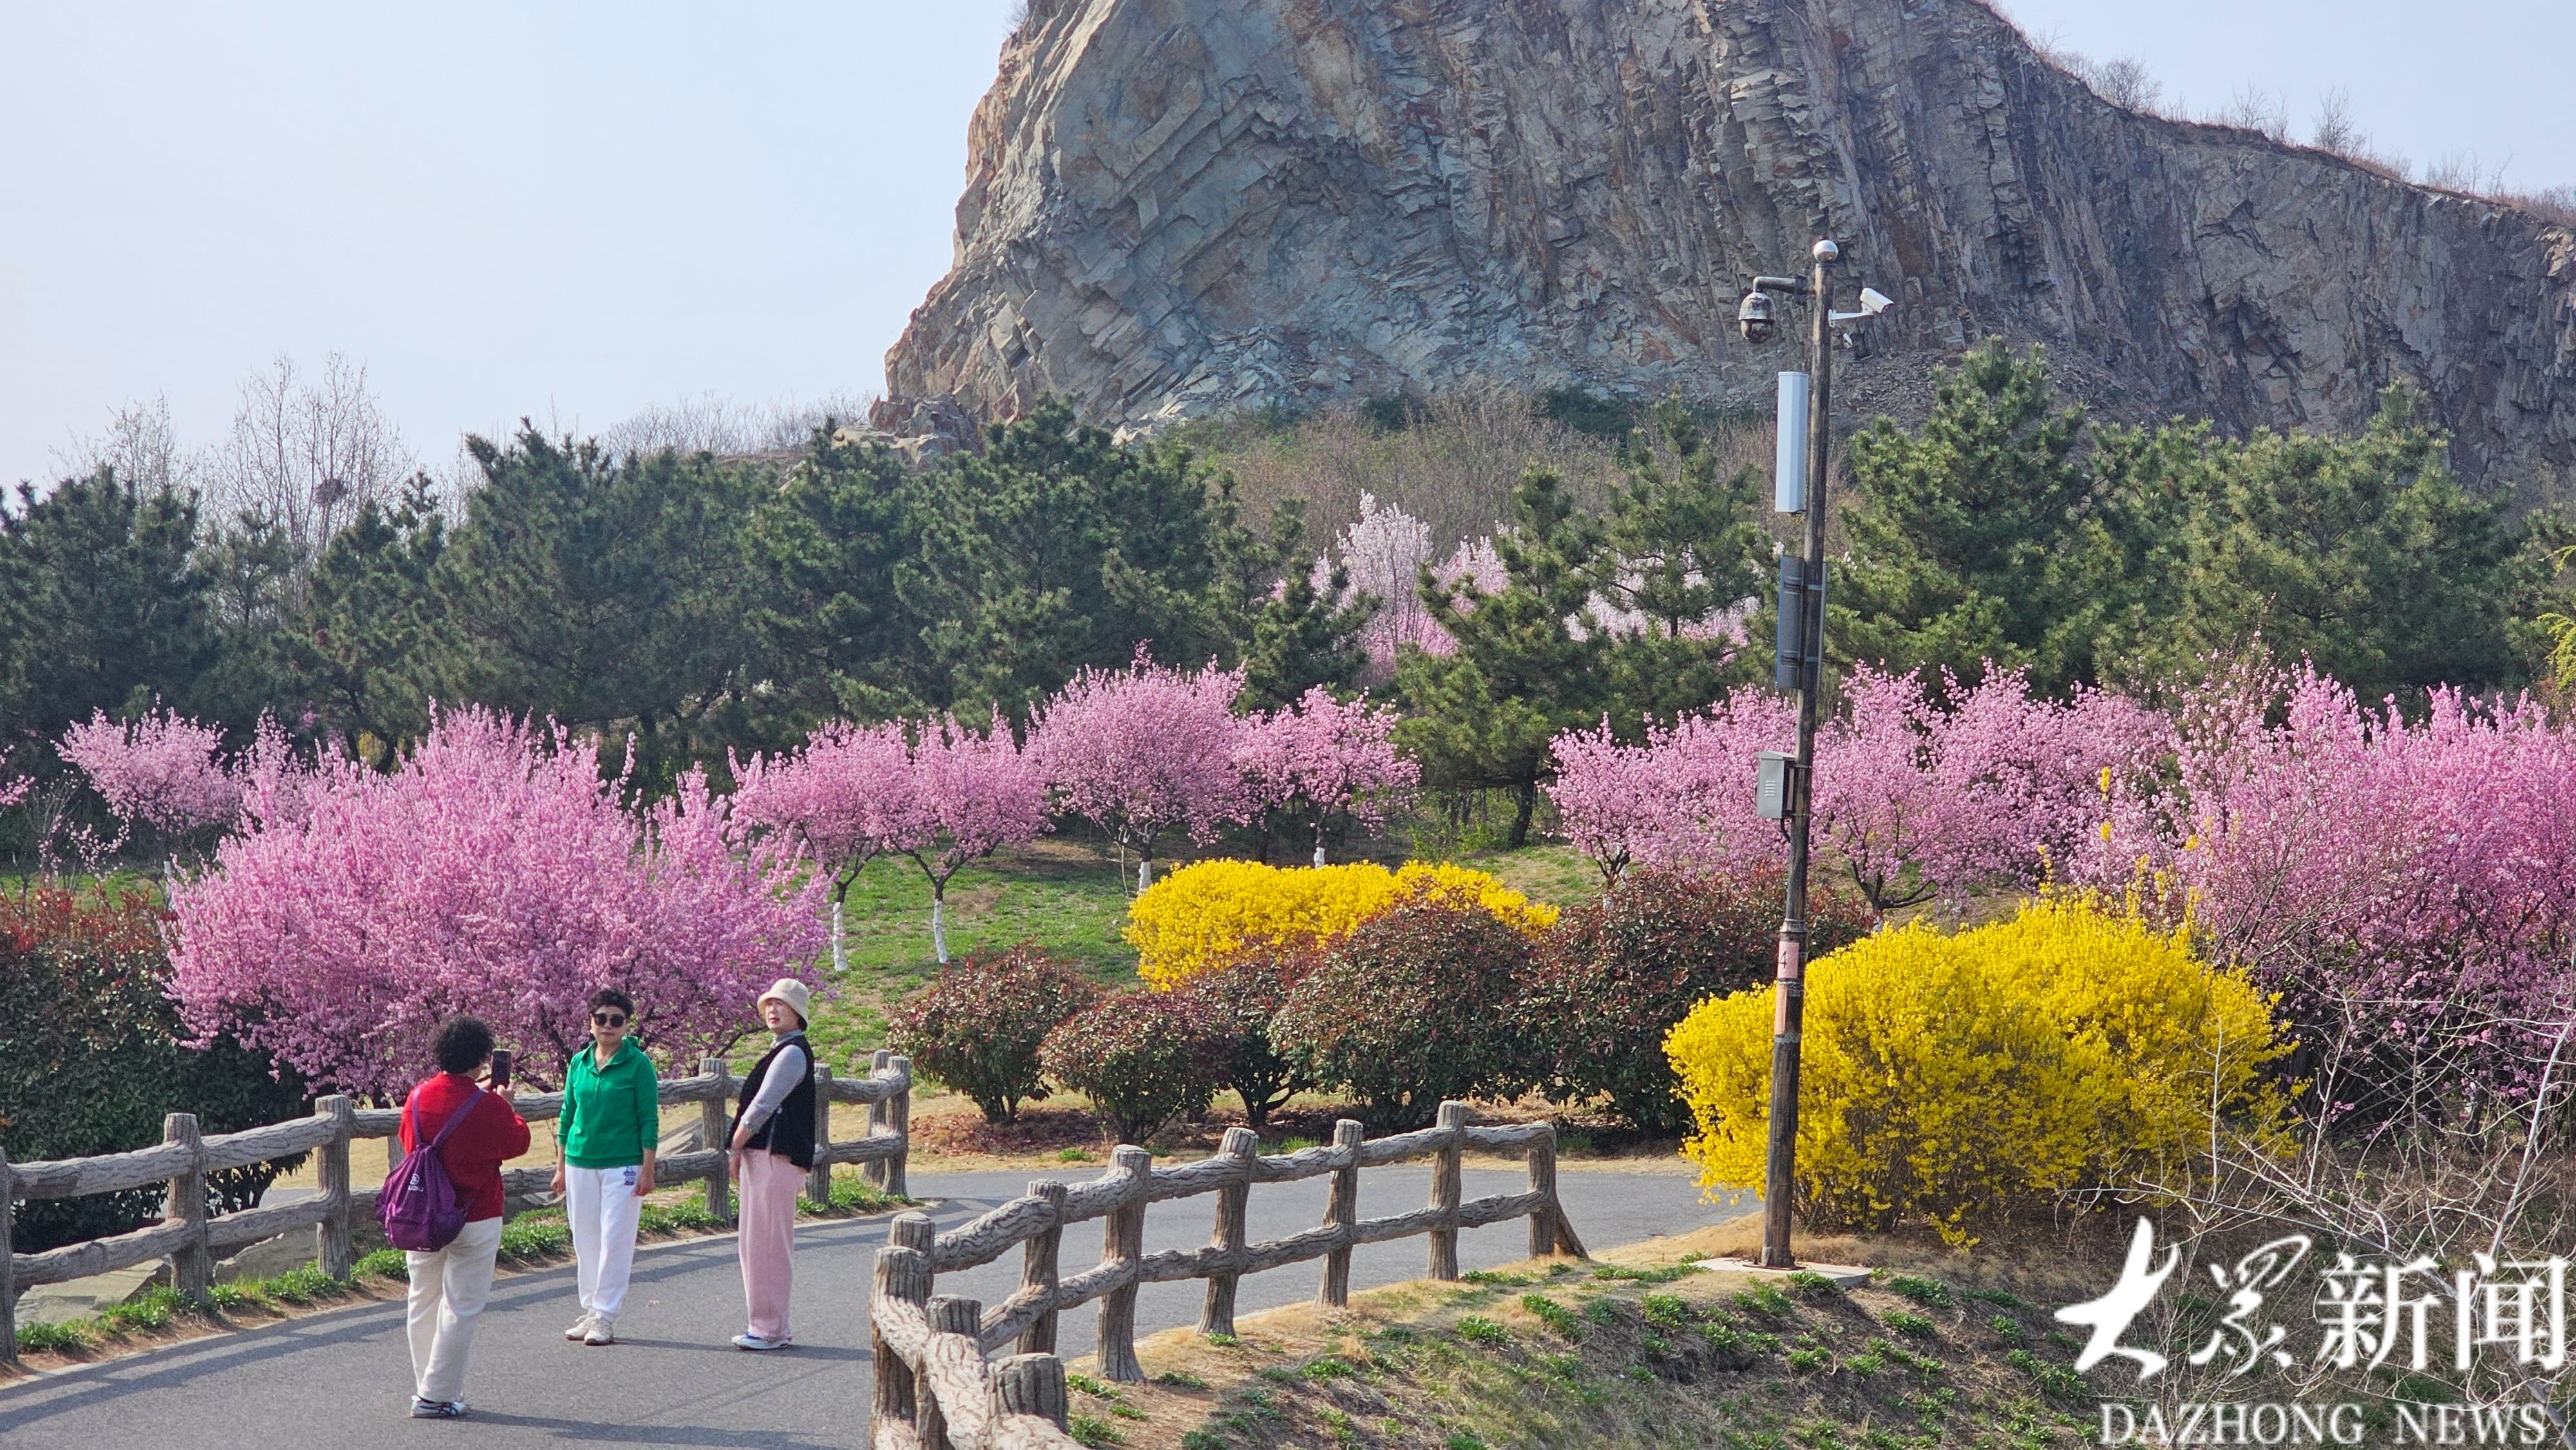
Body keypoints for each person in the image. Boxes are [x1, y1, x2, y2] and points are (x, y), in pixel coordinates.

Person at [401, 1014, 531, 1420]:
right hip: (476, 1214)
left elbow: (409, 1142)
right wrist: (507, 1107)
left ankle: (429, 1386)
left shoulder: (417, 1097)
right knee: (461, 1308)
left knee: (422, 1300)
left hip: (423, 1214)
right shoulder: (488, 1106)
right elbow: (518, 1142)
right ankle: (434, 1395)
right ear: (480, 1058)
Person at [551, 987, 658, 1347]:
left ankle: (606, 1314)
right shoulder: (578, 1063)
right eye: (601, 1018)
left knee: (615, 1239)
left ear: (627, 1025)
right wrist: (561, 1166)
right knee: (586, 1239)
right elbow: (567, 1115)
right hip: (580, 1161)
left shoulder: (638, 1065)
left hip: (622, 1164)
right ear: (590, 1023)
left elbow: (648, 1119)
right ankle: (591, 1307)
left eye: (616, 1019)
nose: (608, 1025)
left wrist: (648, 1169)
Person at [727, 977, 815, 1352]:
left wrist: (734, 1145)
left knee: (766, 1244)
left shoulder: (792, 1053)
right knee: (756, 1243)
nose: (773, 1010)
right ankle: (767, 1325)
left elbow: (762, 1107)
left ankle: (769, 1329)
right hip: (763, 1156)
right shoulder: (782, 1050)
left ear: (799, 1014)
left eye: (783, 1004)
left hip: (774, 1157)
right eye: (769, 1005)